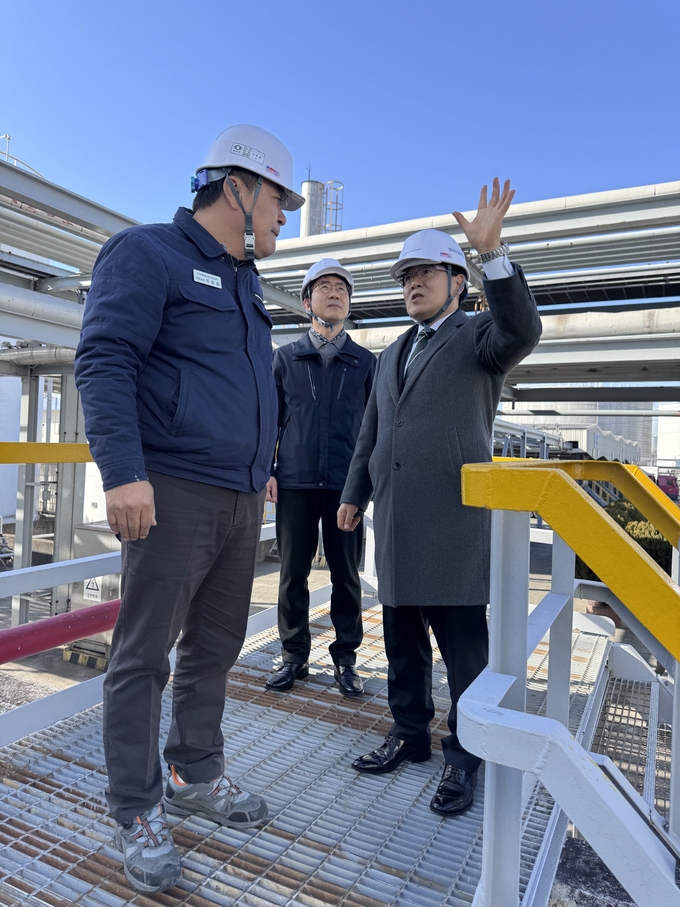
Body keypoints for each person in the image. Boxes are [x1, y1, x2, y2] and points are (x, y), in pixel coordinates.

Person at [75, 125, 305, 893]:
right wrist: (123, 472)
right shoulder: (149, 253)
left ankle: (194, 773)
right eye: (279, 200)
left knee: (215, 647)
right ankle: (136, 808)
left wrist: (263, 465)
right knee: (144, 655)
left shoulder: (246, 284)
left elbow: (248, 389)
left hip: (241, 497)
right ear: (237, 186)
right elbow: (104, 358)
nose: (285, 216)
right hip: (170, 489)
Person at [338, 179, 542, 817]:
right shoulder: (391, 353)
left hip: (454, 524)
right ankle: (408, 734)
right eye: (406, 276)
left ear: (458, 281)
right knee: (402, 643)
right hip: (397, 522)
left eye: (426, 272)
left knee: (463, 653)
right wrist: (354, 493)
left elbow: (522, 330)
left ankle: (466, 755)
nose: (413, 284)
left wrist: (493, 254)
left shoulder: (479, 337)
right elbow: (372, 432)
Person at [264, 259, 376, 696]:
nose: (335, 294)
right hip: (294, 483)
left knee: (345, 575)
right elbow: (269, 421)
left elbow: (376, 429)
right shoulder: (285, 359)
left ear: (349, 303)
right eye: (325, 287)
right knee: (292, 574)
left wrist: (365, 485)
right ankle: (294, 657)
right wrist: (268, 470)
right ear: (307, 302)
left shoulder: (365, 363)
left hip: (347, 487)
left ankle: (346, 660)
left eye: (342, 289)